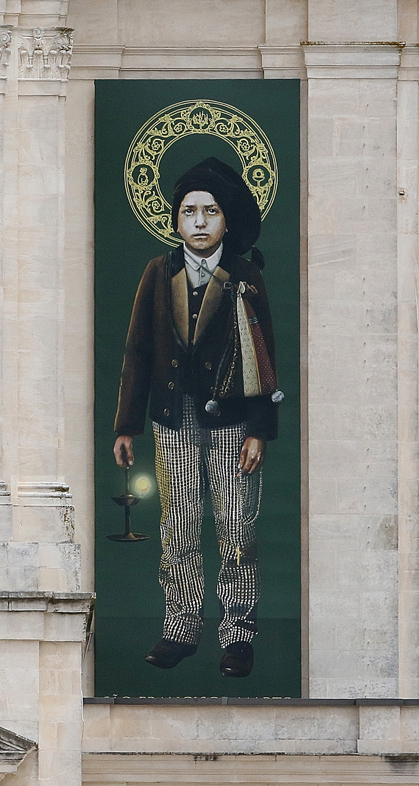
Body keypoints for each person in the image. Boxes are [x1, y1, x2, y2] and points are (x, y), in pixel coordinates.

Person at [113, 157, 280, 679]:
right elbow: (137, 350)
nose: (201, 221)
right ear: (176, 221)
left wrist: (258, 429)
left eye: (211, 211)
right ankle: (181, 628)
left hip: (231, 421)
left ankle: (238, 635)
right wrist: (126, 424)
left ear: (226, 220)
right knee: (178, 524)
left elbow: (262, 354)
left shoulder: (246, 275)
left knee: (237, 527)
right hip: (172, 419)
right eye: (190, 212)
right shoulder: (157, 272)